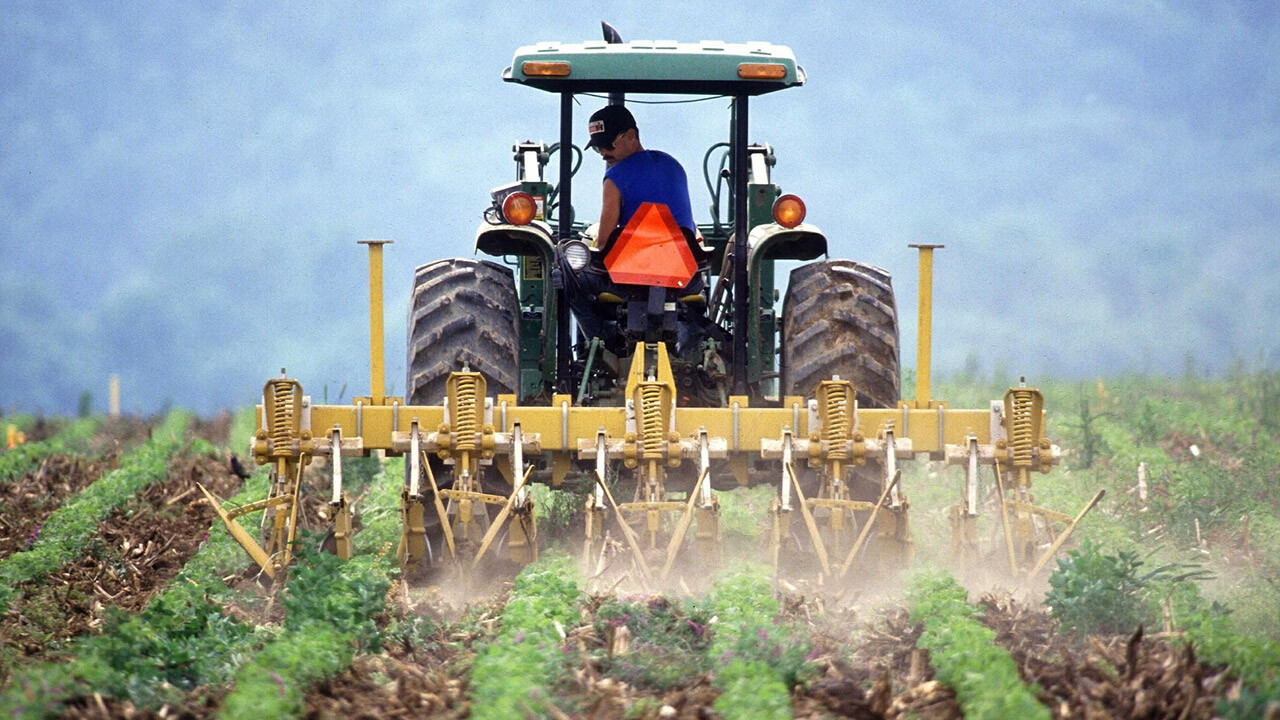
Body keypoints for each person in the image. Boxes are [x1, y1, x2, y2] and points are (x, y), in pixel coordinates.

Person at [585, 104, 696, 246]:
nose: (603, 153)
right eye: (598, 147)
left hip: (638, 264)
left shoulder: (614, 177)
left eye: (608, 145)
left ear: (631, 135)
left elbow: (604, 245)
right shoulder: (673, 165)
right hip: (686, 261)